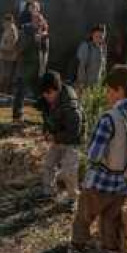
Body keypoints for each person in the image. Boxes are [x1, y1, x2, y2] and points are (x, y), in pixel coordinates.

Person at [69, 65, 127, 253]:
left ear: (120, 90)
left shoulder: (109, 118)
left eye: (109, 89)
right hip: (123, 185)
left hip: (99, 183)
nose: (107, 94)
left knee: (84, 218)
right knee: (111, 222)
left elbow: (94, 154)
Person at [36, 71, 83, 209]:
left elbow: (74, 132)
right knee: (48, 165)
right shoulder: (46, 100)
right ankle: (48, 192)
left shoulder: (71, 106)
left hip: (72, 141)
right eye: (43, 93)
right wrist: (46, 131)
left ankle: (72, 199)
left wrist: (55, 137)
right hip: (58, 138)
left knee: (69, 170)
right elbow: (47, 118)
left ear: (57, 89)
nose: (45, 96)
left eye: (48, 93)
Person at [12, 14, 41, 120]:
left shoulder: (38, 32)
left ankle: (44, 113)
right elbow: (20, 47)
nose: (39, 23)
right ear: (33, 21)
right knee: (21, 91)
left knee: (37, 91)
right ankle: (17, 114)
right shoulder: (26, 31)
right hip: (25, 66)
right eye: (37, 21)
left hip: (34, 66)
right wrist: (33, 40)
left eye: (39, 21)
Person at [75, 25, 107, 91]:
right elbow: (81, 67)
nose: (99, 39)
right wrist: (81, 84)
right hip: (84, 85)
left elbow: (103, 67)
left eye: (101, 37)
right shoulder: (85, 46)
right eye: (96, 36)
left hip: (96, 86)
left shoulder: (103, 48)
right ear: (92, 35)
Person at [0, 14, 18, 95]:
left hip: (8, 57)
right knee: (3, 75)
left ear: (9, 21)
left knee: (6, 76)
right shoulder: (7, 29)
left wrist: (2, 49)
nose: (4, 23)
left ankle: (4, 94)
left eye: (5, 21)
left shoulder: (12, 30)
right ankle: (2, 93)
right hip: (4, 56)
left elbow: (12, 45)